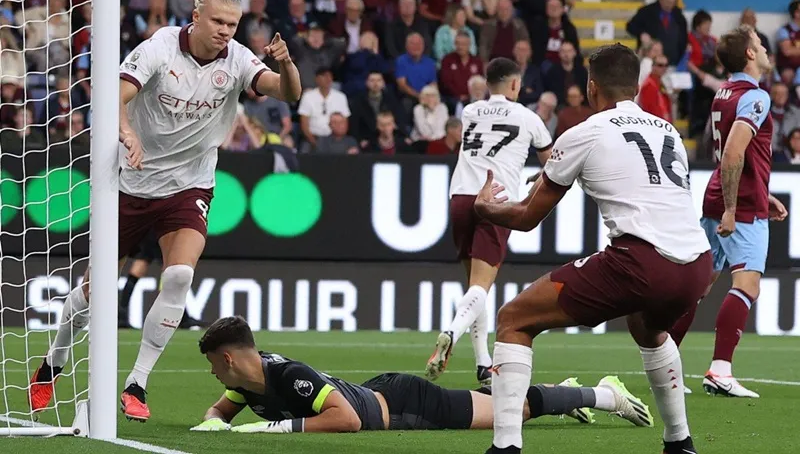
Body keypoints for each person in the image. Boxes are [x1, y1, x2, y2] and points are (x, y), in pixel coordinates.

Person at [28, 0, 302, 422]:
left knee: (177, 276)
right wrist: (128, 132)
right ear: (196, 15)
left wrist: (286, 65)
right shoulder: (160, 46)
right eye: (217, 22)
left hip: (188, 186)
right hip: (130, 183)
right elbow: (114, 95)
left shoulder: (237, 58)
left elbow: (287, 93)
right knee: (93, 290)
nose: (224, 33)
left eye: (232, 25)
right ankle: (53, 361)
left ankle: (136, 381)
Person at [474, 44, 713, 454]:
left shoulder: (585, 132)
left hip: (642, 262)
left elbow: (528, 218)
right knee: (647, 327)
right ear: (636, 87)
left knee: (514, 318)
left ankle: (505, 447)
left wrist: (486, 210)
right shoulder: (668, 130)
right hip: (697, 264)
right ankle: (680, 442)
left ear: (591, 87)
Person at [191, 317, 652, 433]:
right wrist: (214, 419)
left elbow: (347, 420)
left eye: (212, 363)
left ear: (228, 358)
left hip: (408, 405)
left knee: (512, 413)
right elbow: (222, 410)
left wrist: (275, 428)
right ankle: (565, 392)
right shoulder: (244, 382)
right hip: (383, 394)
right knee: (500, 405)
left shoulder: (289, 375)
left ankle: (601, 393)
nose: (211, 374)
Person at [670, 26, 788, 398]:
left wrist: (757, 193)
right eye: (760, 43)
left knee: (700, 285)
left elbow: (736, 157)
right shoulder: (756, 97)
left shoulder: (724, 92)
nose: (766, 48)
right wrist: (737, 207)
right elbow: (735, 152)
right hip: (738, 206)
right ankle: (720, 370)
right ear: (750, 55)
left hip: (718, 197)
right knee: (747, 285)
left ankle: (665, 366)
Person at [425, 58, 552, 386]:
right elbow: (551, 164)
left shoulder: (469, 111)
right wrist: (540, 177)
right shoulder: (529, 117)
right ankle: (451, 332)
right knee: (481, 287)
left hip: (461, 198)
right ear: (514, 85)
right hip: (495, 200)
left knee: (474, 288)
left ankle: (483, 364)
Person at [118, 231, 207, 330]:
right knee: (169, 267)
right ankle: (181, 317)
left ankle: (121, 315)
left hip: (149, 230)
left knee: (141, 266)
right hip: (160, 231)